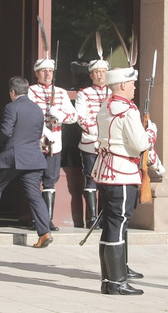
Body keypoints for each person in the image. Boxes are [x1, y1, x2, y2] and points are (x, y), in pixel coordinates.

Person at [0, 76, 55, 248]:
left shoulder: (11, 107)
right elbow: (37, 133)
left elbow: (6, 131)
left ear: (12, 92)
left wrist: (0, 142)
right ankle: (44, 232)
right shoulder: (37, 109)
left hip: (13, 157)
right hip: (33, 158)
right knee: (35, 195)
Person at [91, 67, 150, 295]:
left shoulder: (105, 106)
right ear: (123, 85)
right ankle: (117, 282)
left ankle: (109, 280)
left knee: (110, 226)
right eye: (132, 83)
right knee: (118, 225)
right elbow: (139, 143)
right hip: (122, 172)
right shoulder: (127, 110)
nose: (135, 86)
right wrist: (150, 134)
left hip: (106, 171)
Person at [27, 58, 77, 231]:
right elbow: (27, 116)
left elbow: (73, 117)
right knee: (32, 182)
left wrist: (60, 115)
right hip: (34, 142)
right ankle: (35, 219)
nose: (48, 73)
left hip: (54, 144)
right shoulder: (30, 92)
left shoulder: (61, 93)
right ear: (36, 73)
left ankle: (47, 220)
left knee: (50, 182)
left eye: (50, 70)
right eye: (43, 70)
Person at [74, 58, 109, 228]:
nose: (100, 75)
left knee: (106, 181)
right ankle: (92, 218)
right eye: (97, 72)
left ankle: (104, 216)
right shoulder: (84, 93)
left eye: (102, 71)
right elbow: (81, 116)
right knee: (91, 179)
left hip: (109, 144)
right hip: (91, 142)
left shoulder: (113, 92)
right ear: (91, 75)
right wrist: (96, 130)